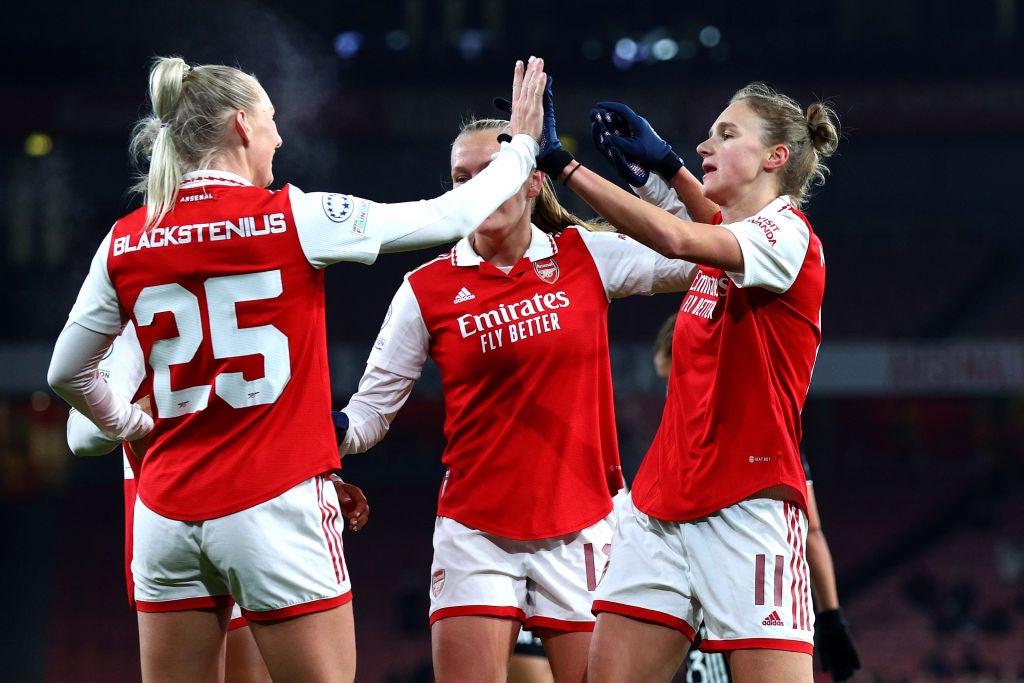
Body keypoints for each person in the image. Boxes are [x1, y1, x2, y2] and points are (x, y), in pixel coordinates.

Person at [47, 54, 547, 683]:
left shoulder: (126, 238)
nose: (280, 135)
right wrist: (523, 148)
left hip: (165, 516)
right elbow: (445, 216)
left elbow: (66, 375)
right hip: (273, 504)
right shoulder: (291, 216)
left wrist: (129, 424)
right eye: (272, 119)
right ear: (242, 125)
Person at [335, 113, 701, 683]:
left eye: (493, 171)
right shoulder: (425, 289)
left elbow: (699, 251)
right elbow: (369, 416)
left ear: (533, 181)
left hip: (586, 527)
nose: (477, 188)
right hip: (475, 535)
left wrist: (659, 179)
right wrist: (317, 436)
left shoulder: (586, 256)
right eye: (462, 178)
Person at [531, 78, 841, 683]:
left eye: (726, 134)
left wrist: (562, 166)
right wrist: (667, 169)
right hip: (660, 508)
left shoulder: (790, 235)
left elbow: (678, 236)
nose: (707, 144)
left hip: (747, 507)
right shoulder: (738, 237)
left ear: (775, 157)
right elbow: (703, 224)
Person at [64, 324, 371, 683]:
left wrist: (315, 479)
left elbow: (257, 420)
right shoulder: (143, 320)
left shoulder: (240, 305)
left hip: (247, 519)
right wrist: (146, 414)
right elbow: (81, 434)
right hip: (187, 527)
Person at [653, 315, 860, 682]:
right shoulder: (677, 444)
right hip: (709, 604)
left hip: (752, 592)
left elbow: (810, 529)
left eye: (674, 377)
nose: (673, 392)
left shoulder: (757, 432)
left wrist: (831, 616)